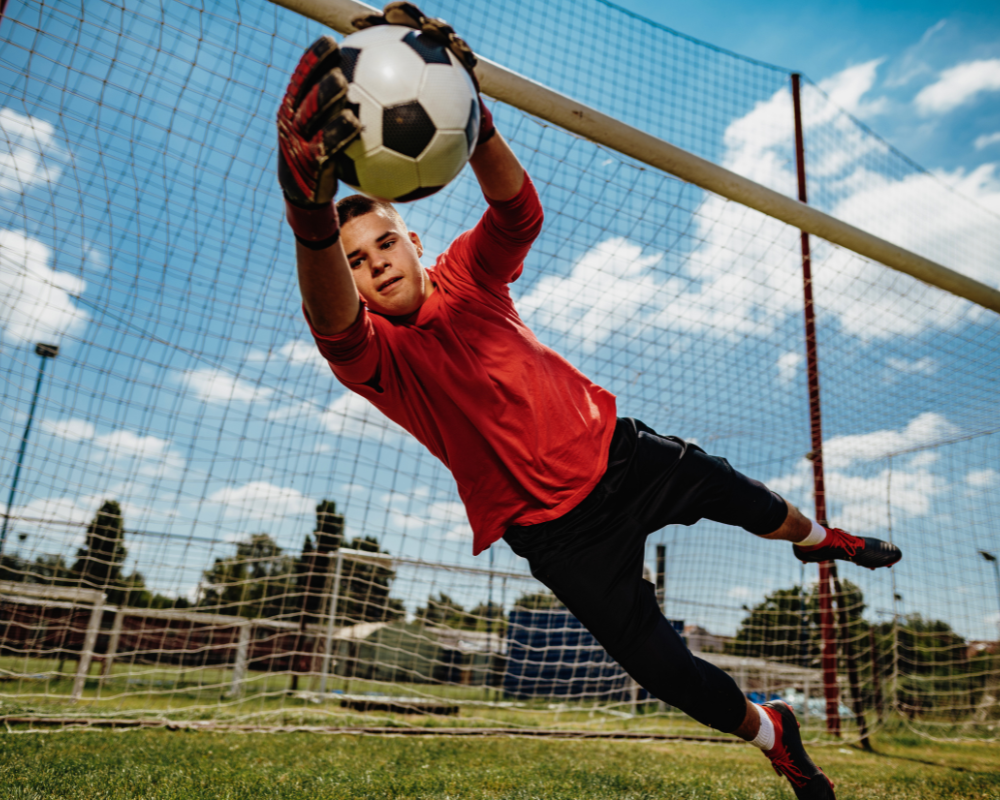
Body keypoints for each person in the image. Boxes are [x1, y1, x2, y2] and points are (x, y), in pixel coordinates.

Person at [276, 5, 901, 797]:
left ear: (415, 239)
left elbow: (518, 214)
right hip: (560, 536)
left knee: (742, 496)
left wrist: (474, 112)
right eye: (358, 260)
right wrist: (309, 214)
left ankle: (818, 539)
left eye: (385, 243)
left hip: (621, 455)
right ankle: (776, 732)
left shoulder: (469, 276)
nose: (376, 264)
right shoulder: (376, 355)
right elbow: (333, 324)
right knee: (663, 670)